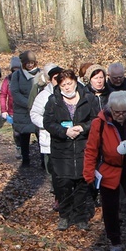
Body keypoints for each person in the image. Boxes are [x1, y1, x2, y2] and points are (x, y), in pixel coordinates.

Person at [84, 91, 126, 251]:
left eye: (124, 111)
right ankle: (115, 242)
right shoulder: (99, 123)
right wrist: (89, 174)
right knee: (110, 208)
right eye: (117, 112)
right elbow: (91, 150)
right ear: (110, 109)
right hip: (109, 170)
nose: (120, 115)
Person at [44, 68, 96, 231]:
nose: (67, 87)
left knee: (82, 184)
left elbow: (96, 120)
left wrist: (82, 128)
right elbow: (48, 123)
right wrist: (64, 131)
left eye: (69, 83)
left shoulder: (88, 98)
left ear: (75, 82)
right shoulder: (53, 100)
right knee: (63, 184)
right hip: (62, 149)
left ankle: (81, 217)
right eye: (63, 84)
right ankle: (64, 216)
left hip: (83, 147)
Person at [30, 64, 62, 194]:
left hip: (69, 138)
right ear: (49, 80)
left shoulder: (73, 93)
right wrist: (48, 124)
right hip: (49, 139)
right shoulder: (43, 96)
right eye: (55, 78)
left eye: (61, 77)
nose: (59, 80)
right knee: (52, 169)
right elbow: (34, 114)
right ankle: (57, 196)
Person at [10, 51, 41, 166]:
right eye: (27, 63)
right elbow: (15, 92)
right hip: (22, 111)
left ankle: (43, 161)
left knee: (41, 136)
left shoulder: (41, 73)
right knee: (24, 136)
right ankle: (25, 159)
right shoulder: (17, 75)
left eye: (32, 63)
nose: (30, 65)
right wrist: (28, 103)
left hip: (38, 109)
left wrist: (37, 104)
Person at [0, 56, 23, 160]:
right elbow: (3, 95)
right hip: (13, 111)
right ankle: (19, 148)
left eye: (18, 68)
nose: (16, 71)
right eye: (14, 69)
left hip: (25, 109)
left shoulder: (25, 78)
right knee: (17, 132)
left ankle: (27, 152)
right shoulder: (7, 80)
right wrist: (4, 110)